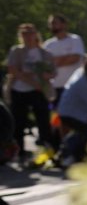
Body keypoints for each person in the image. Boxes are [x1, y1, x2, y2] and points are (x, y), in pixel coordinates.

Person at [6, 23, 55, 160]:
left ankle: (47, 148)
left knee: (43, 120)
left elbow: (53, 71)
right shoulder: (17, 51)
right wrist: (33, 82)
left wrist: (46, 76)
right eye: (24, 33)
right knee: (18, 121)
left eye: (30, 33)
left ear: (35, 34)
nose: (27, 36)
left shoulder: (45, 53)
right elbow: (13, 70)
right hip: (19, 90)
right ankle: (19, 151)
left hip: (40, 91)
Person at [42, 13, 85, 105]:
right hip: (55, 87)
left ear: (64, 24)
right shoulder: (48, 44)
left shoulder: (75, 39)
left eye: (54, 23)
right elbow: (44, 65)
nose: (52, 26)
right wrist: (65, 58)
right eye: (50, 23)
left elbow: (75, 58)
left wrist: (53, 61)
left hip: (74, 85)